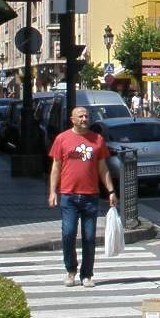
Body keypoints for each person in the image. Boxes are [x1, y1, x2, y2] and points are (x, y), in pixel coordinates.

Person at [48, 105, 118, 286]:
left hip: (90, 196)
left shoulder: (97, 140)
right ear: (72, 119)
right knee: (69, 233)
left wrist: (111, 191)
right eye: (80, 116)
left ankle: (87, 274)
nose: (84, 119)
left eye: (87, 116)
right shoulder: (62, 139)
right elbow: (56, 167)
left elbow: (103, 168)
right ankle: (71, 269)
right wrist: (52, 191)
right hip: (68, 195)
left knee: (89, 237)